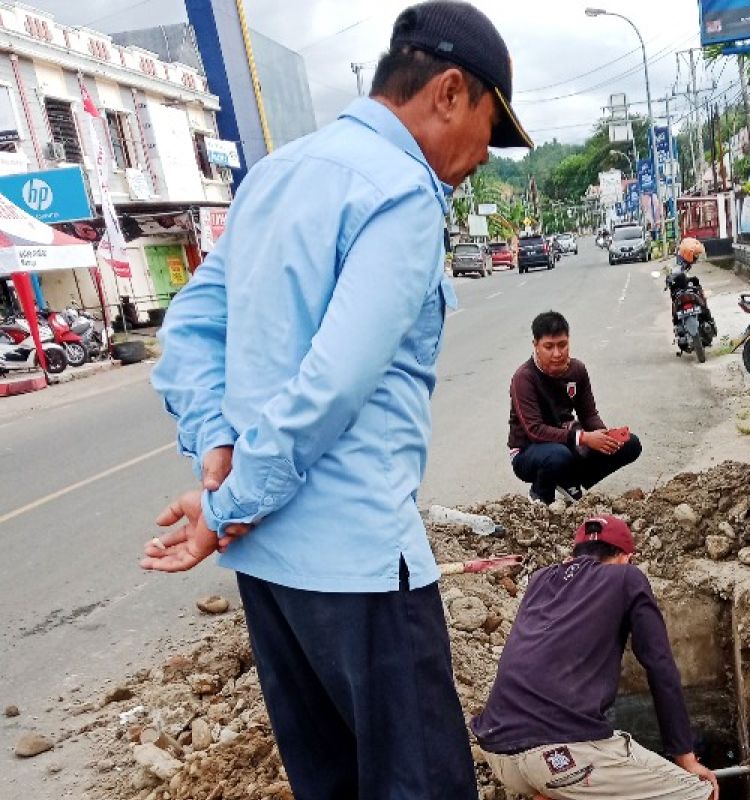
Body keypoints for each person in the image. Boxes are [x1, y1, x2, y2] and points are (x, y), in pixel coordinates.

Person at [142, 3, 533, 798]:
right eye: (492, 130)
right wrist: (227, 504)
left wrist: (217, 447)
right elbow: (331, 386)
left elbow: (188, 327)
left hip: (273, 574)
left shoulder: (277, 175)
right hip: (358, 571)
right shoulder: (402, 195)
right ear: (450, 92)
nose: (485, 157)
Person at [472, 515, 718, 800]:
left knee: (590, 767)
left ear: (572, 556)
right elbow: (660, 666)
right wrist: (685, 756)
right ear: (626, 558)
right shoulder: (627, 577)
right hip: (560, 756)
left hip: (499, 753)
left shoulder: (540, 580)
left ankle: (555, 793)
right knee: (700, 794)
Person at [509, 311, 642, 504]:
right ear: (536, 346)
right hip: (528, 450)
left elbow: (588, 414)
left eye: (562, 345)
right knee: (557, 456)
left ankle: (570, 481)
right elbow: (534, 430)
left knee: (630, 444)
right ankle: (540, 495)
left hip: (567, 443)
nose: (557, 353)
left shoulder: (577, 370)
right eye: (549, 347)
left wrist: (602, 434)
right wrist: (585, 438)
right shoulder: (524, 378)